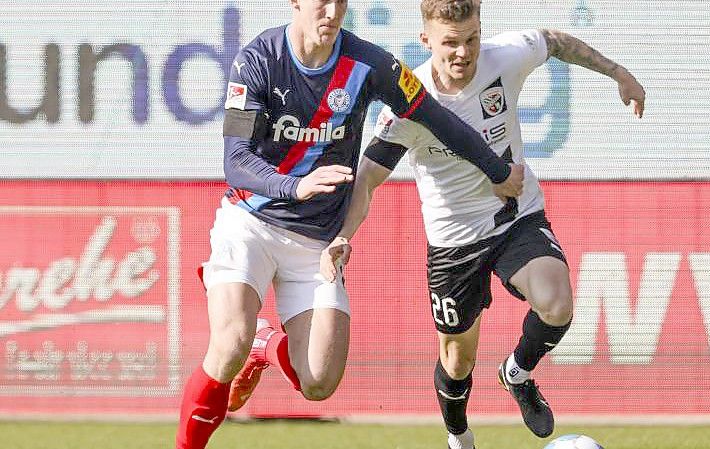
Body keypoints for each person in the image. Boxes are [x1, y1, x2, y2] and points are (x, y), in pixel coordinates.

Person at [175, 0, 526, 447]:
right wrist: (294, 187)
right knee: (229, 344)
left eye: (341, 1)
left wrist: (497, 171)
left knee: (319, 382)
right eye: (322, 1)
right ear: (296, 3)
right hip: (251, 222)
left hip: (318, 242)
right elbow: (236, 161)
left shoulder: (371, 63)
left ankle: (265, 346)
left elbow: (437, 120)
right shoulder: (257, 60)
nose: (333, 11)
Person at [320, 0, 645, 447]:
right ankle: (459, 436)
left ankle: (518, 373)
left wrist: (619, 73)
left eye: (471, 38)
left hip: (516, 218)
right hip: (454, 242)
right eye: (450, 42)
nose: (463, 52)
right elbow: (369, 179)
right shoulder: (407, 105)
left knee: (558, 302)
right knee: (457, 361)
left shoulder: (504, 58)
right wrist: (341, 237)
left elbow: (555, 41)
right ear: (427, 40)